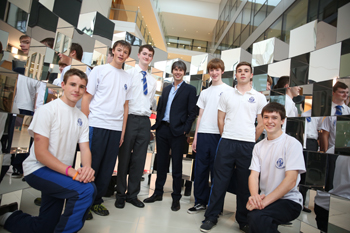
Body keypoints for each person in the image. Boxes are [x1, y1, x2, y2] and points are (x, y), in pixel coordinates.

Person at [0, 68, 96, 233]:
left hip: (59, 173)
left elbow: (85, 149)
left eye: (81, 86)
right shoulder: (47, 110)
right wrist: (72, 172)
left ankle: (7, 216)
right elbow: (41, 154)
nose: (77, 90)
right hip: (38, 169)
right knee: (86, 190)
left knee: (45, 227)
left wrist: (87, 168)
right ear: (63, 85)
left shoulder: (82, 118)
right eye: (72, 84)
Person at [200, 61, 267, 232]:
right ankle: (211, 216)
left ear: (251, 75)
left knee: (244, 184)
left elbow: (261, 124)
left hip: (247, 145)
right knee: (219, 182)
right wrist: (226, 136)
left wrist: (251, 139)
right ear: (235, 74)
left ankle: (243, 220)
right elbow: (220, 120)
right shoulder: (227, 95)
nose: (243, 73)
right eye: (239, 71)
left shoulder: (259, 97)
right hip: (227, 142)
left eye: (246, 71)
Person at [81, 40, 132, 219]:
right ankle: (83, 203)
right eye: (119, 50)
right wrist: (84, 125)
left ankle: (96, 201)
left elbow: (126, 106)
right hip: (97, 123)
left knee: (107, 168)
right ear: (113, 51)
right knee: (91, 166)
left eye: (125, 52)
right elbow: (86, 98)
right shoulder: (99, 71)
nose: (121, 54)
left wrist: (123, 131)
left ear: (127, 55)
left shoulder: (128, 77)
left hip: (115, 128)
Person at [143, 60, 197, 211]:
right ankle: (158, 193)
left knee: (177, 166)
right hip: (163, 130)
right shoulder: (166, 89)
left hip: (178, 132)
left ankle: (176, 198)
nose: (178, 72)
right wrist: (158, 126)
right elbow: (160, 108)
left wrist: (185, 129)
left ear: (184, 73)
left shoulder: (190, 89)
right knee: (161, 163)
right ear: (172, 71)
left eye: (181, 70)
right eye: (175, 69)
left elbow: (192, 112)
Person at [246, 102, 306, 233]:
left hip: (289, 200)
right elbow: (253, 175)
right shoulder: (258, 146)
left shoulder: (292, 144)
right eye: (266, 117)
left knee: (257, 217)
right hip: (265, 197)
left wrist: (262, 203)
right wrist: (255, 197)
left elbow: (290, 181)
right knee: (257, 219)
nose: (269, 121)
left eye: (274, 117)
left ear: (282, 121)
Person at [187, 58, 232, 214]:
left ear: (222, 71)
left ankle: (215, 206)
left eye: (217, 69)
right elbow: (200, 116)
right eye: (211, 70)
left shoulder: (229, 91)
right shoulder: (205, 92)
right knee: (200, 170)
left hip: (219, 135)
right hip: (204, 135)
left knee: (217, 172)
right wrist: (196, 138)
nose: (214, 72)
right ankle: (200, 201)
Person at [115, 44, 157, 209]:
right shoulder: (128, 74)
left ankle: (132, 195)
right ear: (139, 55)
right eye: (144, 54)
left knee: (139, 160)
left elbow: (150, 101)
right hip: (130, 118)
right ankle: (120, 194)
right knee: (124, 157)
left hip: (145, 120)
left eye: (149, 55)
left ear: (151, 58)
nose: (146, 57)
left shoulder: (153, 81)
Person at [320, 81, 350, 154]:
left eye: (347, 92)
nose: (345, 95)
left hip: (346, 148)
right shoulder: (327, 110)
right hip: (331, 149)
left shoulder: (348, 111)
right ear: (333, 93)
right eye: (342, 92)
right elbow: (325, 133)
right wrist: (326, 151)